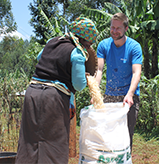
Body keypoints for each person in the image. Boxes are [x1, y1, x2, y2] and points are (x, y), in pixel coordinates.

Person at [15, 17, 98, 164]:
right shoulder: (77, 53)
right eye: (89, 43)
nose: (89, 47)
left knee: (30, 140)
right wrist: (86, 76)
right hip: (53, 98)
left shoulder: (52, 42)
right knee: (53, 143)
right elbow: (79, 85)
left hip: (32, 92)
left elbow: (40, 57)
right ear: (84, 39)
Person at [94, 13, 143, 152]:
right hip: (110, 95)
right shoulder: (103, 45)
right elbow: (99, 70)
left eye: (118, 28)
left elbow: (136, 72)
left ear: (126, 28)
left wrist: (130, 94)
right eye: (112, 27)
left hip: (128, 97)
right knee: (108, 134)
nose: (114, 31)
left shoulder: (134, 47)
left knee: (126, 136)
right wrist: (95, 92)